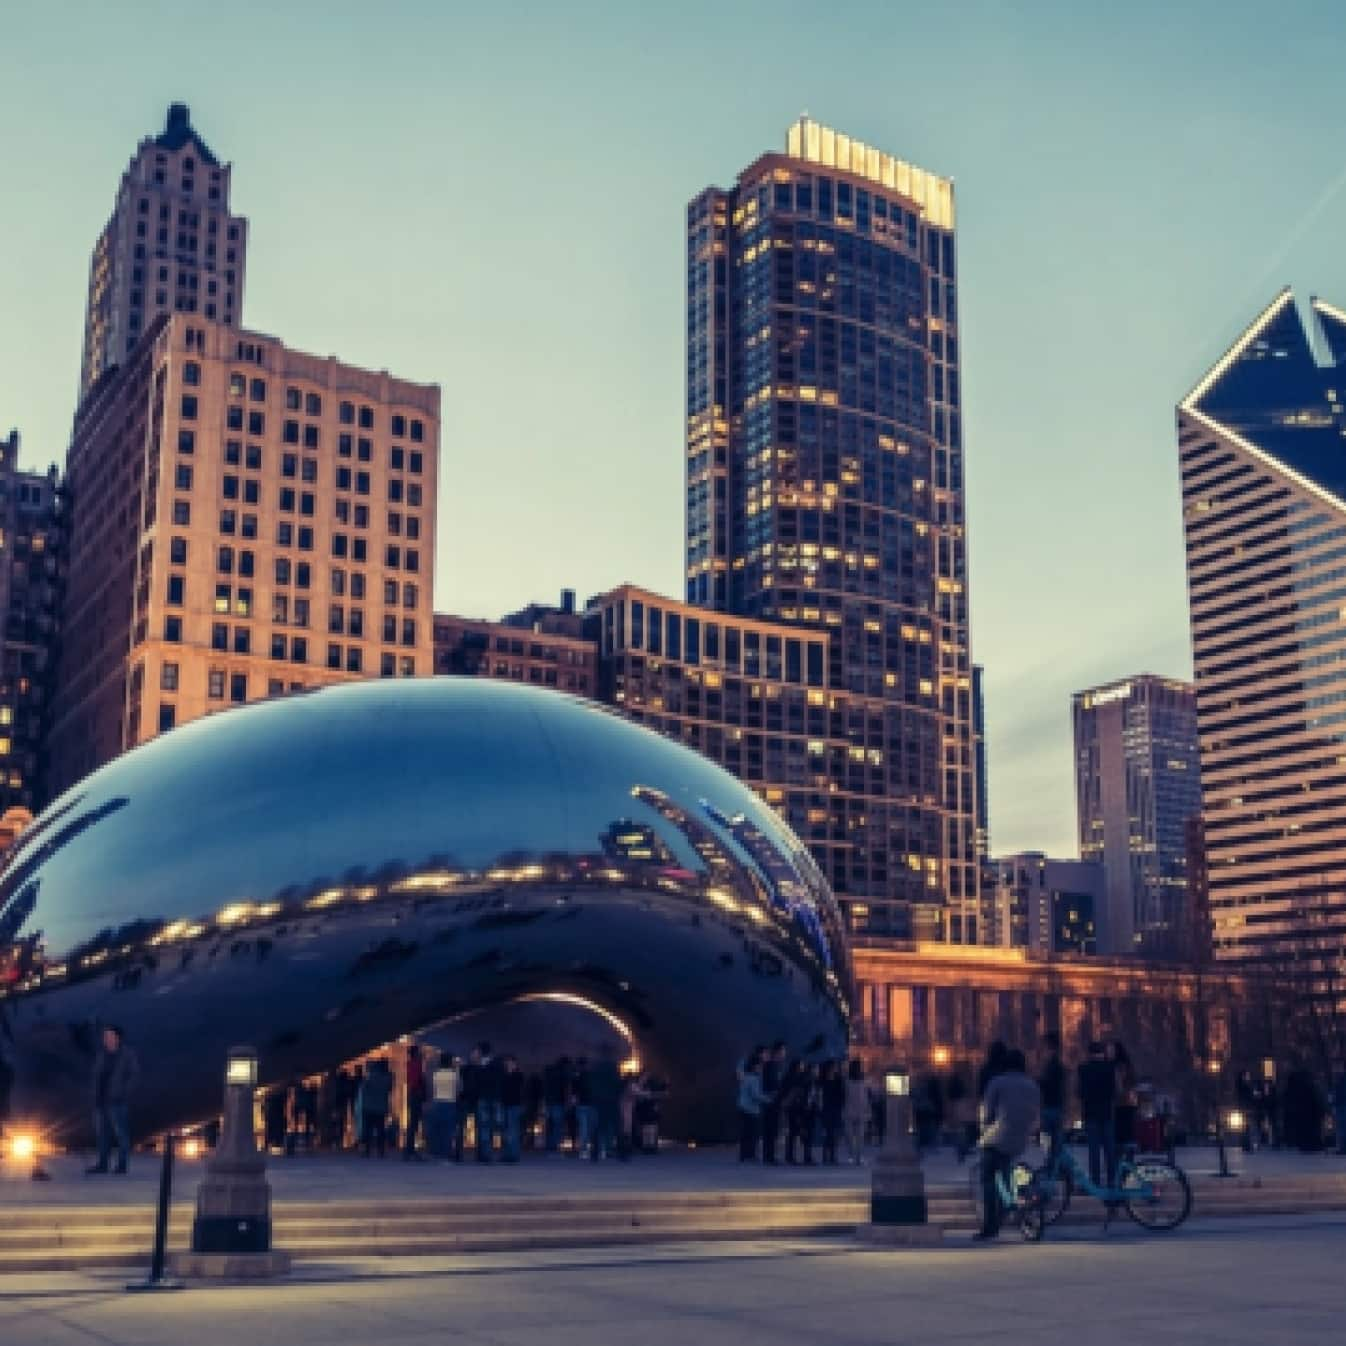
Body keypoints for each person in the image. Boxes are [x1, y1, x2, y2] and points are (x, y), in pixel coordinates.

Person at [974, 1049, 1040, 1241]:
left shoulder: (998, 1082)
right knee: (1005, 1170)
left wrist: (983, 1129)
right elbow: (1036, 1112)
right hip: (1021, 1137)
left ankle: (990, 1225)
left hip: (998, 1135)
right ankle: (1009, 1205)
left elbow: (986, 1110)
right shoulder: (1032, 1085)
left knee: (987, 1178)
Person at [88, 1025, 139, 1175]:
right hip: (100, 1101)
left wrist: (123, 1093)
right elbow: (96, 1076)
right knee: (102, 1134)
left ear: (117, 1038)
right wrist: (94, 1095)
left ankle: (122, 1165)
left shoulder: (127, 1054)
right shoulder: (101, 1055)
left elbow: (134, 1076)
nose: (106, 1039)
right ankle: (102, 1164)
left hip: (117, 1101)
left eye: (109, 1036)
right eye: (105, 1036)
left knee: (121, 1134)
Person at [1077, 1040, 1116, 1187]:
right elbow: (1113, 1092)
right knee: (1109, 1149)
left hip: (1090, 1112)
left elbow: (1080, 1092)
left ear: (1089, 1053)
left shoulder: (1083, 1069)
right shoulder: (1109, 1068)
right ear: (1102, 1053)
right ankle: (1112, 1179)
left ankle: (1095, 1180)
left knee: (1094, 1150)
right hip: (1106, 1112)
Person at [586, 1046, 623, 1162]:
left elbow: (591, 1085)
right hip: (612, 1100)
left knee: (598, 1128)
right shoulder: (613, 1067)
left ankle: (594, 1153)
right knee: (617, 1127)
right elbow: (618, 1084)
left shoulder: (595, 1068)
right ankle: (622, 1153)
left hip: (599, 1101)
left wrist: (595, 1097)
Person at [427, 1052, 461, 1160]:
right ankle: (446, 1154)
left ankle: (436, 1153)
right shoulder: (454, 1075)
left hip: (437, 1103)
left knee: (437, 1130)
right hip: (450, 1103)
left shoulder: (435, 1074)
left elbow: (431, 1090)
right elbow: (459, 1089)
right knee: (448, 1131)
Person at [1038, 1032, 1066, 1162]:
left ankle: (1053, 1168)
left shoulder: (1051, 1065)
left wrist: (1038, 1082)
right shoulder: (1059, 1064)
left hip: (1049, 1107)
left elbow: (1048, 1085)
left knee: (1048, 1142)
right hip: (1057, 1106)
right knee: (1056, 1143)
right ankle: (1056, 1168)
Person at [760, 1041, 787, 1164]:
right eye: (783, 1051)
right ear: (777, 1052)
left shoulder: (776, 1066)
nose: (784, 1053)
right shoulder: (770, 1066)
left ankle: (770, 1155)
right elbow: (770, 1085)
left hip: (774, 1101)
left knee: (773, 1129)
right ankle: (769, 1156)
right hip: (771, 1102)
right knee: (770, 1129)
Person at [737, 1049, 766, 1162]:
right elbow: (755, 1095)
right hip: (751, 1110)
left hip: (743, 1108)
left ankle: (744, 1155)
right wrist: (768, 1099)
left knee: (745, 1134)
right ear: (755, 1066)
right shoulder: (754, 1079)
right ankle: (751, 1155)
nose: (761, 1068)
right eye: (760, 1066)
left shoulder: (746, 1077)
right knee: (752, 1134)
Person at [360, 1057, 393, 1158]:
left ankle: (366, 1150)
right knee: (380, 1130)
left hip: (368, 1107)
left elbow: (364, 1089)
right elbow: (389, 1089)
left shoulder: (369, 1076)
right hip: (381, 1107)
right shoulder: (387, 1078)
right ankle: (381, 1151)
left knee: (368, 1129)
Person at [1111, 1040, 1138, 1160]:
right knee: (1127, 1134)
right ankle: (1127, 1161)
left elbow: (1119, 1087)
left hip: (1120, 1104)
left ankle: (1121, 1163)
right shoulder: (1127, 1065)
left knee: (1120, 1135)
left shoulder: (1118, 1066)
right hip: (1129, 1103)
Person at [475, 1041, 502, 1162]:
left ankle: (485, 1154)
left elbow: (478, 1083)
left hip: (483, 1098)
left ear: (480, 1052)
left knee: (484, 1127)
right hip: (495, 1098)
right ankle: (488, 1153)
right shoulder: (498, 1064)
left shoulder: (480, 1066)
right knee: (492, 1126)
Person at [402, 1043, 427, 1160]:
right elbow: (417, 1080)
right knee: (415, 1122)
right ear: (416, 1053)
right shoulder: (416, 1064)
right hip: (416, 1095)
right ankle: (411, 1149)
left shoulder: (410, 1064)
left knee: (413, 1122)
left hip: (413, 1094)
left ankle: (410, 1149)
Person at [843, 1058, 869, 1164]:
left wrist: (867, 1109)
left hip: (860, 1110)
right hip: (849, 1109)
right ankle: (851, 1154)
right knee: (849, 1135)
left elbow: (865, 1096)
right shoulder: (847, 1081)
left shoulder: (862, 1080)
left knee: (860, 1136)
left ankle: (859, 1155)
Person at [819, 1060, 845, 1164]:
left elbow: (842, 1094)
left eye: (835, 1067)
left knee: (834, 1133)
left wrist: (840, 1105)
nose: (834, 1069)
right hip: (826, 1108)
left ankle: (832, 1155)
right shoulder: (822, 1080)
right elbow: (820, 1093)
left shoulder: (838, 1079)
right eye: (833, 1067)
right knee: (828, 1132)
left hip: (835, 1108)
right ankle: (826, 1156)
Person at [500, 1055, 525, 1162]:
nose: (508, 1065)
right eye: (507, 1063)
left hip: (514, 1105)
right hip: (505, 1104)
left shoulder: (518, 1075)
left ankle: (513, 1154)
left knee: (513, 1130)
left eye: (510, 1063)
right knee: (506, 1131)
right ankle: (507, 1154)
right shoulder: (504, 1075)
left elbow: (517, 1089)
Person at [543, 1056, 570, 1153]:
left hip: (549, 1101)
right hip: (558, 1101)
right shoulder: (563, 1074)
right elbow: (565, 1089)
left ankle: (548, 1144)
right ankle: (554, 1145)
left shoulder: (549, 1071)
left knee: (549, 1124)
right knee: (557, 1125)